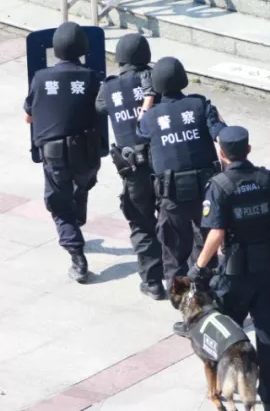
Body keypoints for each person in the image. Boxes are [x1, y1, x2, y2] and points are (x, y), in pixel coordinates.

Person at [188, 126, 270, 411]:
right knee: (268, 335)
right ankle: (269, 394)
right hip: (268, 273)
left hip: (234, 277)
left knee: (226, 336)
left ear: (221, 153)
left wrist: (198, 267)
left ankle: (229, 387)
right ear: (248, 149)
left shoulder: (219, 185)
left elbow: (216, 233)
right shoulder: (268, 180)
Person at [136, 56, 226, 297]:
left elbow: (140, 129)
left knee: (174, 254)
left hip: (172, 197)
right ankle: (207, 296)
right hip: (206, 194)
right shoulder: (200, 105)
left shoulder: (152, 116)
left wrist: (148, 97)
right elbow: (222, 134)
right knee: (206, 247)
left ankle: (184, 303)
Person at [24, 22, 103, 283]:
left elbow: (28, 115)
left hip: (54, 154)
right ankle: (77, 220)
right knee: (81, 185)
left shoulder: (40, 78)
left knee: (59, 205)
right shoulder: (92, 78)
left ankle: (77, 257)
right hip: (87, 153)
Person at [95, 34, 165, 300]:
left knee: (141, 224)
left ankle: (153, 282)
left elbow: (100, 107)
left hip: (132, 170)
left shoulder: (109, 88)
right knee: (172, 221)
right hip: (162, 165)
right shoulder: (154, 80)